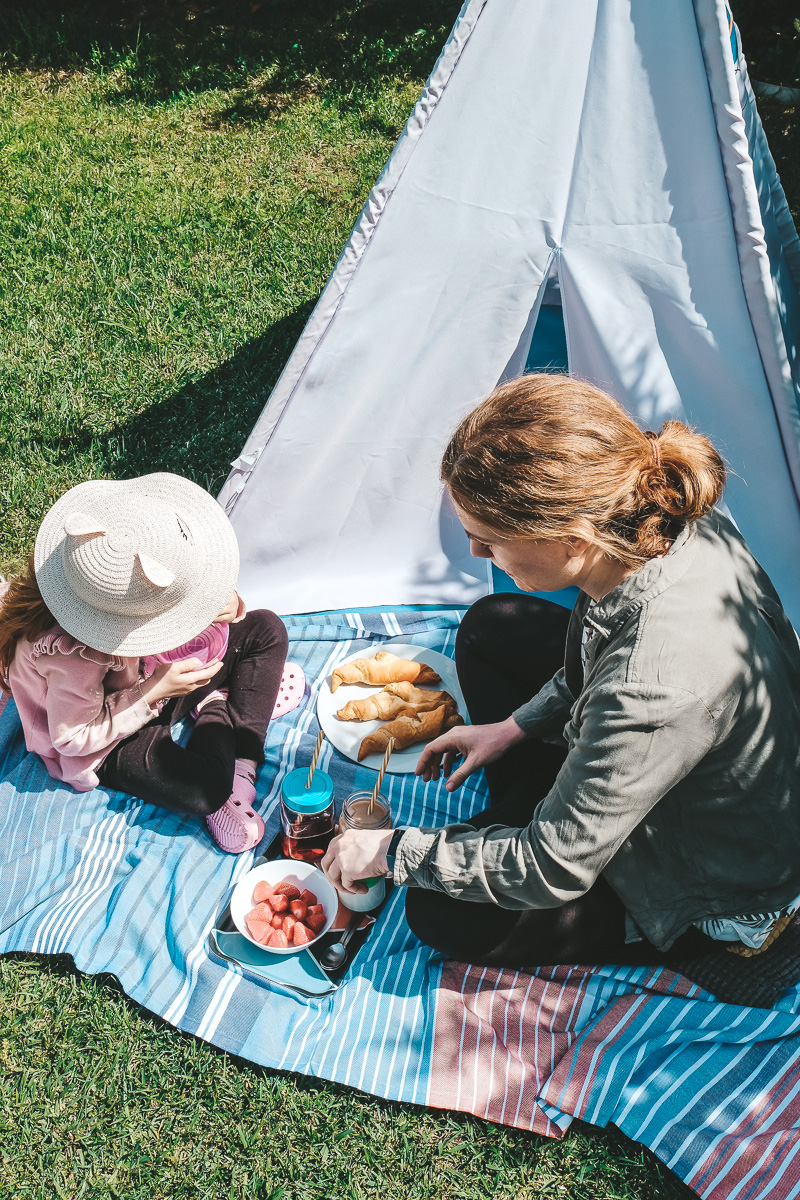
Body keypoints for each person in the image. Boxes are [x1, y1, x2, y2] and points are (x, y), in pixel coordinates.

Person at [322, 374, 800, 969]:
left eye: (489, 542)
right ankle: (530, 809)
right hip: (673, 757)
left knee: (437, 912)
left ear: (571, 540)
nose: (476, 555)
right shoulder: (660, 514)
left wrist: (397, 854)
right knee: (491, 625)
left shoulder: (648, 687)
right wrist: (515, 727)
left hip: (707, 863)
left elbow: (552, 869)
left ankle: (701, 929)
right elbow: (595, 653)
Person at [0, 472, 288, 855]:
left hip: (154, 671)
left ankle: (242, 767)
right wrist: (154, 692)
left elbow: (199, 604)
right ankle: (217, 707)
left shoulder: (99, 576)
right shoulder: (72, 652)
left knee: (266, 627)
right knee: (204, 789)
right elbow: (71, 738)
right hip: (110, 730)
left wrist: (225, 605)